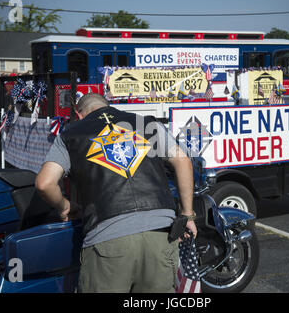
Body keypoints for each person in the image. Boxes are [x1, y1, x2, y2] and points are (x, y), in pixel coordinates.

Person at [35, 93, 196, 293]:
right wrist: (187, 214)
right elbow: (183, 161)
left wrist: (65, 206)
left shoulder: (70, 135)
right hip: (161, 234)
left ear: (78, 114)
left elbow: (44, 183)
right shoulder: (145, 123)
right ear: (108, 106)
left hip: (106, 238)